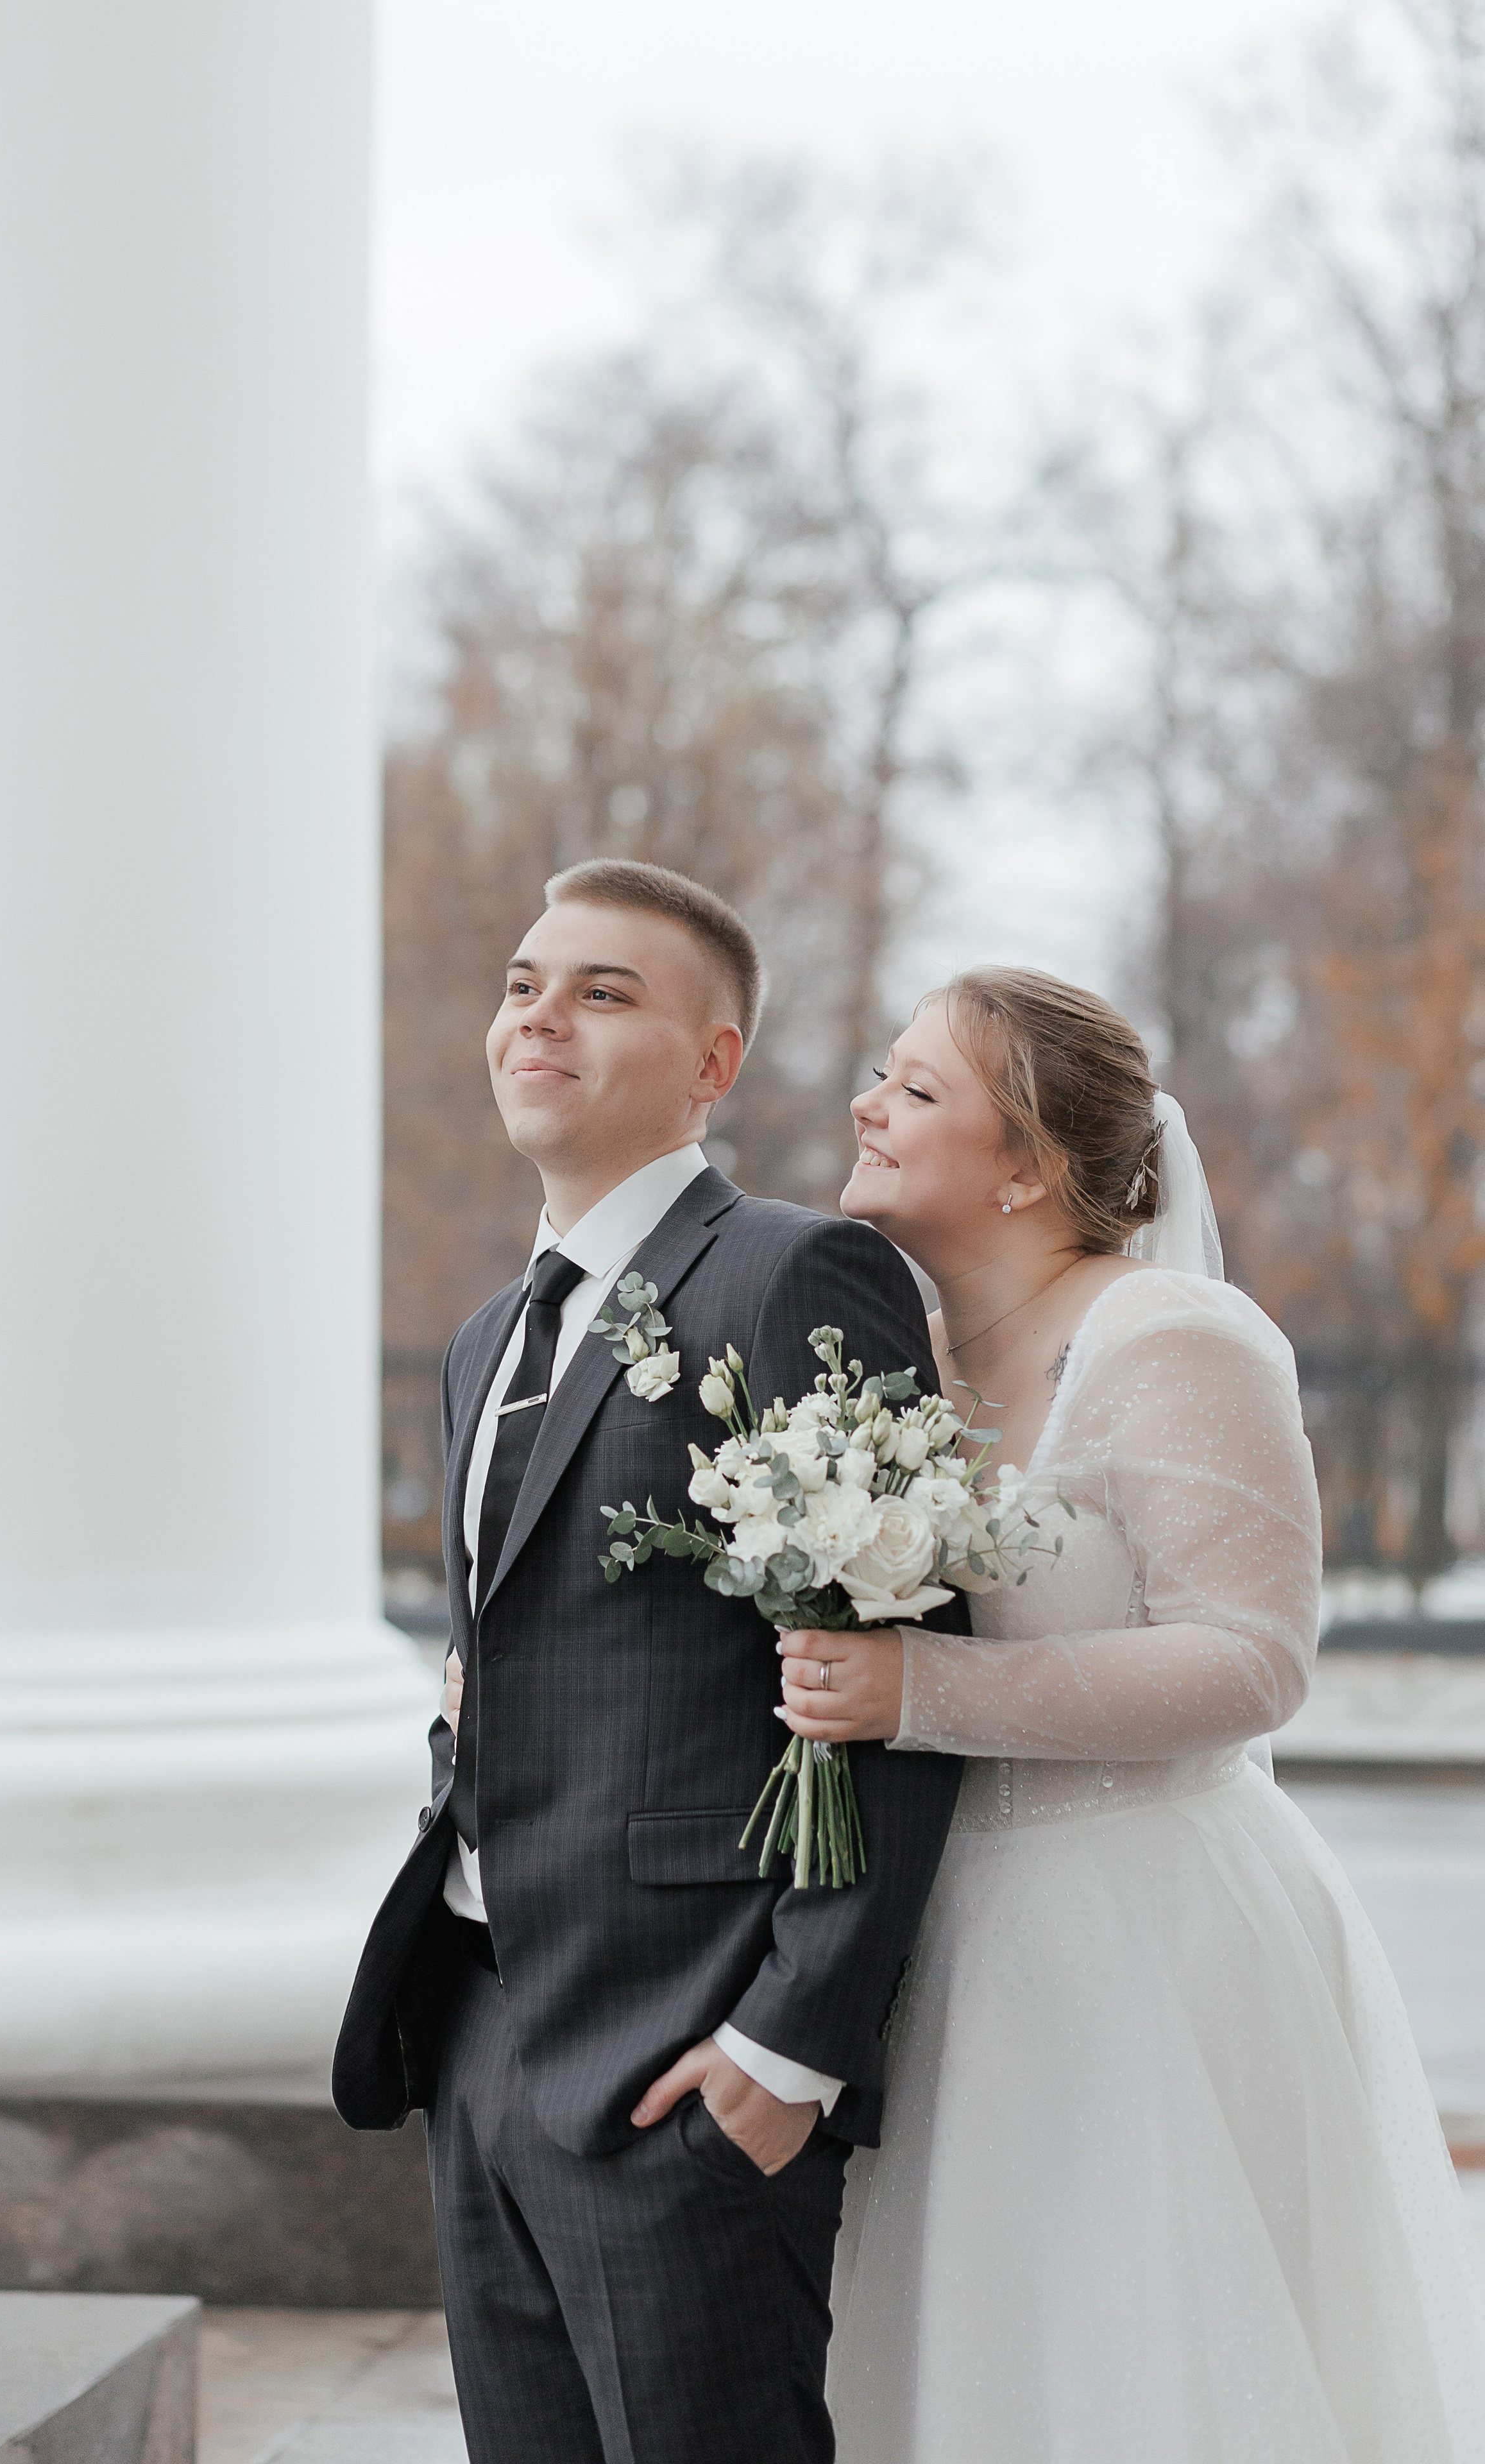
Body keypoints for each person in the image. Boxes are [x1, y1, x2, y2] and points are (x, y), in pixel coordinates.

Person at [776, 964, 1485, 2463]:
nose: (867, 1104)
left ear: (1026, 1166)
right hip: (937, 1933)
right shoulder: (896, 1352)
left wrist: (926, 1694)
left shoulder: (1171, 1335)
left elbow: (1250, 1659)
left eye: (915, 1088)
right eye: (881, 1072)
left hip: (1136, 1940)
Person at [332, 858, 969, 2464]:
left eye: (602, 991)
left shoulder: (798, 1275)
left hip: (690, 2053)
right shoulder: (488, 1340)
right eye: (522, 984)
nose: (538, 1014)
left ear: (711, 1063)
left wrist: (786, 2046)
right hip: (480, 2028)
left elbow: (900, 1672)